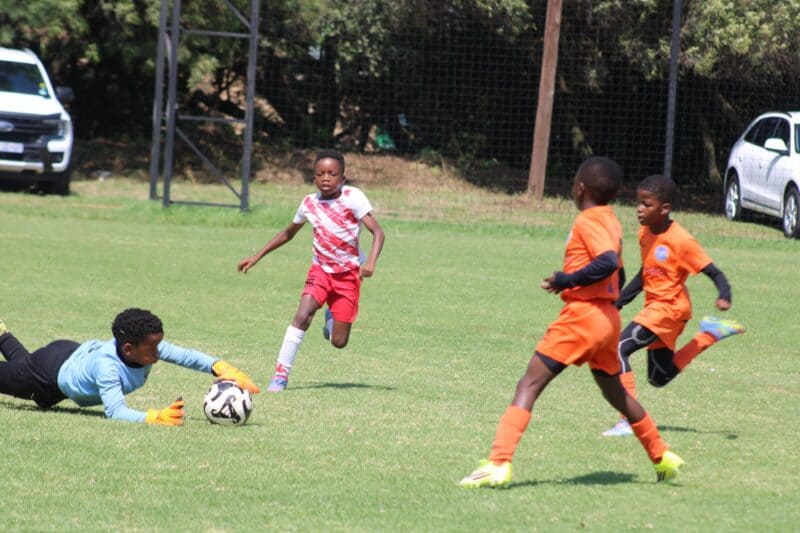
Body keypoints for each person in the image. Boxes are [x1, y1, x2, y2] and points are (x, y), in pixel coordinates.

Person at [460, 157, 684, 488]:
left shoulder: (588, 220)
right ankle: (662, 455)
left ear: (580, 187)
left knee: (528, 385)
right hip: (607, 318)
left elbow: (608, 262)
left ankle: (498, 462)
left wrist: (568, 280)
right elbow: (619, 270)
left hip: (583, 316)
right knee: (617, 395)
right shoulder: (611, 220)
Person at [602, 174, 745, 437]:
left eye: (646, 204)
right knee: (659, 377)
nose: (639, 209)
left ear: (664, 209)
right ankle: (708, 336)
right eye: (638, 203)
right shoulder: (645, 232)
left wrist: (724, 295)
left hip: (670, 310)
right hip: (656, 309)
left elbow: (714, 272)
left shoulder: (682, 241)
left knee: (617, 349)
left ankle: (628, 420)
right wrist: (618, 301)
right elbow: (645, 273)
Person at [237, 150, 385, 392]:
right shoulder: (309, 203)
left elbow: (378, 232)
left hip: (348, 275)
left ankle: (331, 320)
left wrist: (371, 263)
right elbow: (288, 233)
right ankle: (280, 375)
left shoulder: (353, 198)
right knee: (303, 314)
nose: (326, 178)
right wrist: (257, 256)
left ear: (342, 178)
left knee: (339, 342)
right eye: (320, 174)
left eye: (332, 173)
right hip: (321, 271)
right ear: (314, 179)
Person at [0, 308, 259, 425]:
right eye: (152, 349)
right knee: (20, 373)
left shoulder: (146, 348)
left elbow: (187, 356)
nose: (159, 354)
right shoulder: (107, 368)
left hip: (68, 354)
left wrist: (222, 367)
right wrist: (155, 417)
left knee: (22, 367)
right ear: (128, 349)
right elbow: (115, 411)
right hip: (45, 375)